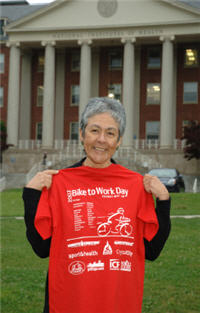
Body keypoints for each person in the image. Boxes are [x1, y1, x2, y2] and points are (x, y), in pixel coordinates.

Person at [23, 97, 171, 313]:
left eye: (110, 133)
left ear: (119, 140)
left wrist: (164, 202)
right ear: (81, 134)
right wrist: (31, 195)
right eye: (94, 130)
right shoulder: (58, 183)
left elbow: (152, 250)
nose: (101, 140)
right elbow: (41, 247)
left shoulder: (137, 186)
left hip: (118, 303)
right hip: (68, 302)